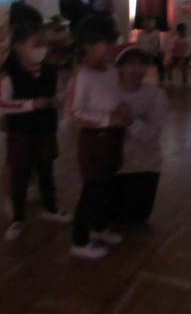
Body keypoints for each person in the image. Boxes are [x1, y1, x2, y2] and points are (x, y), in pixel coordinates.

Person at [0, 21, 72, 241]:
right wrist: (30, 104)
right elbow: (1, 102)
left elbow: (61, 91)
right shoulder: (9, 74)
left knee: (46, 170)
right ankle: (18, 218)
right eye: (36, 44)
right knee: (20, 174)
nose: (42, 49)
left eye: (43, 44)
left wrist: (58, 99)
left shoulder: (49, 70)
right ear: (19, 46)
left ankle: (51, 207)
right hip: (21, 131)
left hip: (45, 129)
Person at [66, 15, 133, 259]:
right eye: (106, 42)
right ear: (87, 45)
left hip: (112, 137)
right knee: (92, 190)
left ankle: (99, 227)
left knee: (107, 186)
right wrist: (109, 119)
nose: (111, 47)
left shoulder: (110, 70)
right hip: (94, 140)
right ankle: (79, 241)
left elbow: (113, 96)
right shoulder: (82, 75)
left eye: (112, 41)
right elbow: (74, 113)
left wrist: (122, 108)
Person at [113, 44, 167, 223]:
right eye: (131, 63)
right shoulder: (109, 92)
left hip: (144, 166)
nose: (137, 69)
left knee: (135, 218)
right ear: (120, 67)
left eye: (141, 64)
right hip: (113, 165)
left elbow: (152, 134)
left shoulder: (155, 94)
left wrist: (130, 121)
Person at [137, 17, 165, 85]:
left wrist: (151, 54)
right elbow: (138, 44)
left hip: (155, 53)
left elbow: (156, 45)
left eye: (149, 25)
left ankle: (161, 79)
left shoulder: (156, 33)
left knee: (159, 62)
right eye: (146, 25)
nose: (148, 26)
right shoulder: (140, 34)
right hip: (143, 53)